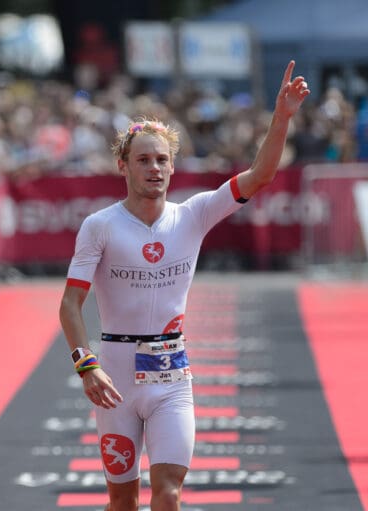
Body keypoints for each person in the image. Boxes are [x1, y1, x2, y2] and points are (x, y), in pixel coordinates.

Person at [58, 61, 309, 511]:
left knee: (169, 493)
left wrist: (282, 118)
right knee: (122, 501)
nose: (153, 169)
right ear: (123, 166)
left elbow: (260, 176)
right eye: (143, 160)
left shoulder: (193, 214)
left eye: (161, 160)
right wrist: (86, 366)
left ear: (173, 167)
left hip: (172, 374)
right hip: (114, 374)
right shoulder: (99, 226)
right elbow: (71, 304)